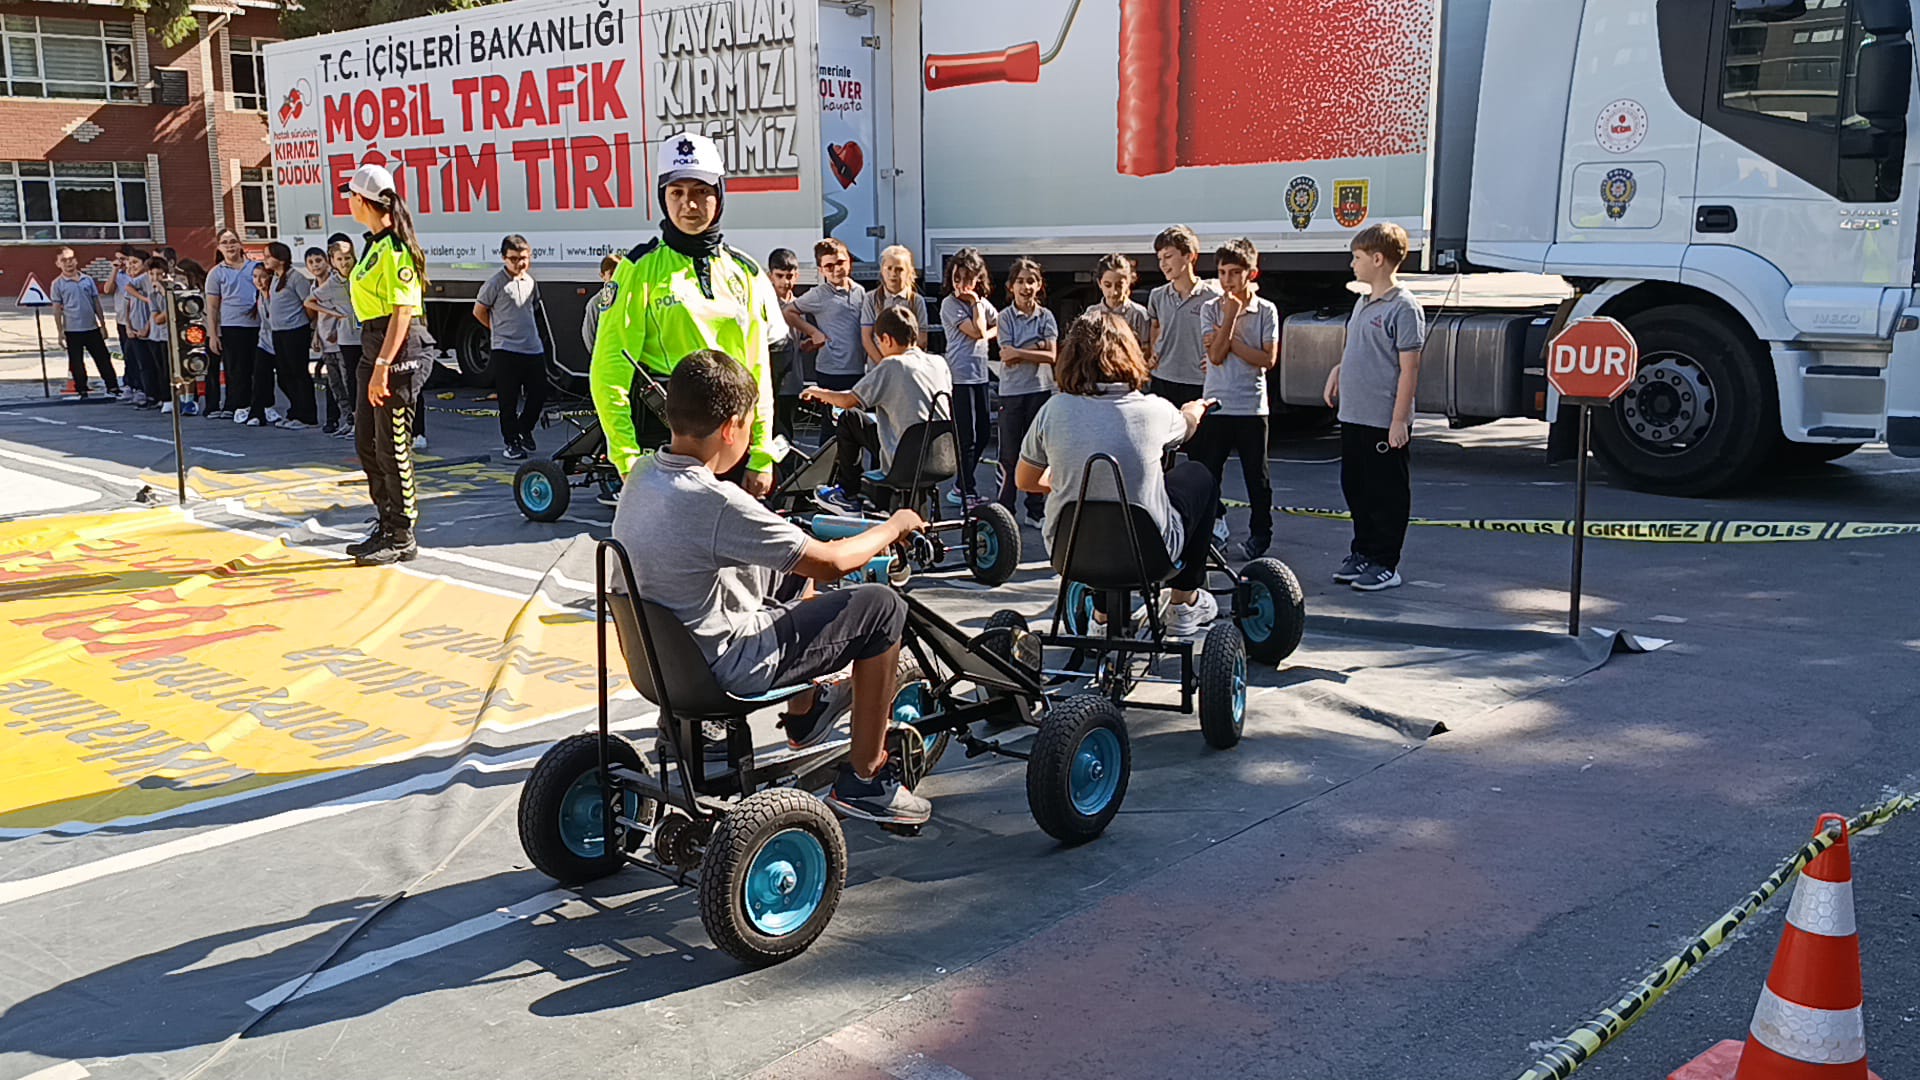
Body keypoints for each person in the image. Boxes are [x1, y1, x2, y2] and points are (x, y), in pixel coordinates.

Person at [614, 349, 933, 824]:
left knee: (784, 572)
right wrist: (893, 526)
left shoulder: (641, 473)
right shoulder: (716, 501)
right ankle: (867, 778)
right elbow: (830, 564)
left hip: (659, 664)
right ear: (731, 427)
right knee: (881, 608)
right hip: (722, 668)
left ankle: (805, 713)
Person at [590, 131, 788, 495]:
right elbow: (609, 369)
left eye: (701, 191)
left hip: (734, 443)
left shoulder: (747, 272)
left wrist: (761, 454)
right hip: (667, 441)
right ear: (663, 198)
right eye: (677, 193)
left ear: (719, 195)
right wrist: (626, 457)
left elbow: (760, 369)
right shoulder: (637, 268)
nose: (689, 205)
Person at [1017, 312, 1221, 636]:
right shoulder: (1153, 409)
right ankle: (1184, 600)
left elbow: (1025, 481)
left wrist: (1061, 480)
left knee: (1094, 504)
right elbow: (1188, 429)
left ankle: (1102, 617)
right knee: (1198, 476)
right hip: (1149, 554)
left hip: (1069, 552)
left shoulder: (1053, 410)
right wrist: (1194, 410)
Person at [1323, 222, 1427, 592]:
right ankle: (1362, 553)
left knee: (1386, 493)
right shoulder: (1362, 301)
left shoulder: (1404, 307)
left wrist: (1399, 420)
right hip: (1354, 416)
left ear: (1379, 259)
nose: (1353, 264)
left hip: (1383, 421)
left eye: (1358, 257)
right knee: (1356, 487)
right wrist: (1338, 370)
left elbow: (1409, 369)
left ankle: (1385, 561)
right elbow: (1357, 348)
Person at [341, 162, 433, 567]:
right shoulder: (373, 244)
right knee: (367, 443)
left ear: (362, 200)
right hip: (373, 343)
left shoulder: (396, 250)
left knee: (393, 445)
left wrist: (382, 365)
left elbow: (403, 312)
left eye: (350, 195)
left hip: (398, 349)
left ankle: (402, 532)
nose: (347, 201)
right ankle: (384, 520)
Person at [804, 307, 952, 513]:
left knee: (850, 418)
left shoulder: (892, 364)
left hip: (904, 459)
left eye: (879, 342)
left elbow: (848, 401)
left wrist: (818, 392)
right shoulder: (939, 362)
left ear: (887, 339)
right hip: (941, 456)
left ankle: (847, 493)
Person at [1197, 237, 1280, 559]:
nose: (1227, 280)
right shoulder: (1210, 308)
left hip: (1251, 406)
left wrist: (1228, 338)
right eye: (1222, 273)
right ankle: (1212, 527)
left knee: (1256, 476)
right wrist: (1229, 318)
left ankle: (1261, 533)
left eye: (1234, 273)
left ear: (1251, 274)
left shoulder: (1267, 311)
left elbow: (1267, 359)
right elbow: (1215, 356)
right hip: (1217, 404)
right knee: (1209, 473)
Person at [994, 256, 1057, 527]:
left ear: (1039, 284)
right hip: (1011, 392)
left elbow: (1052, 356)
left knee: (1038, 452)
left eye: (1031, 281)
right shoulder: (1004, 317)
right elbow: (1006, 356)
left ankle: (1035, 510)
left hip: (1040, 390)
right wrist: (1036, 346)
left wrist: (1022, 351)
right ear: (1011, 286)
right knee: (1009, 453)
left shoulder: (1046, 316)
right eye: (1020, 281)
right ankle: (1006, 508)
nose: (1025, 287)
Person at [475, 234, 547, 461]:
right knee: (508, 399)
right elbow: (479, 311)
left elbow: (532, 309)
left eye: (523, 258)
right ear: (504, 258)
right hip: (505, 349)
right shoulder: (495, 283)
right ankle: (511, 441)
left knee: (539, 394)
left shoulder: (530, 282)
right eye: (513, 259)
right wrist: (496, 330)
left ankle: (524, 428)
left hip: (532, 348)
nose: (519, 263)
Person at [938, 248, 995, 508]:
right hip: (960, 376)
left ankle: (962, 483)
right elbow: (976, 331)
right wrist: (974, 304)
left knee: (984, 432)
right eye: (956, 279)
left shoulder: (981, 303)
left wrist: (979, 308)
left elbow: (997, 324)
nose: (961, 285)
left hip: (980, 375)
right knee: (967, 437)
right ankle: (966, 490)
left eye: (967, 279)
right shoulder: (951, 304)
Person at [1146, 224, 1222, 406]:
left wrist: (1215, 358)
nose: (1163, 264)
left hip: (1198, 380)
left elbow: (1224, 332)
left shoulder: (1213, 297)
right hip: (1163, 378)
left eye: (1168, 257)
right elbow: (1155, 326)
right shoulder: (1157, 295)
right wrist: (1153, 351)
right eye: (1160, 259)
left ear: (1189, 256)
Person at [788, 238, 867, 391]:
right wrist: (813, 332)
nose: (836, 269)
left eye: (840, 263)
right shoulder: (819, 294)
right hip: (831, 369)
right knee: (833, 413)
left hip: (857, 367)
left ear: (849, 262)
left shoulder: (859, 291)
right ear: (821, 270)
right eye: (829, 266)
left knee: (855, 413)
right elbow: (789, 312)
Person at [51, 248, 121, 400]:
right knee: (77, 361)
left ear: (76, 260)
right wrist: (60, 330)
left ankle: (113, 387)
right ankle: (81, 389)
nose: (68, 262)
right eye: (64, 260)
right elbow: (57, 309)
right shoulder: (57, 284)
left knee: (103, 358)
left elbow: (96, 302)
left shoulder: (87, 280)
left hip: (91, 328)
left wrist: (102, 324)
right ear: (58, 264)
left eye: (71, 259)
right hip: (72, 329)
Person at [206, 228, 260, 422]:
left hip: (256, 325)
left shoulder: (255, 268)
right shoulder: (216, 273)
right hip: (231, 326)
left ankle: (257, 405)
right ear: (219, 247)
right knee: (235, 369)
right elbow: (212, 307)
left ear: (240, 244)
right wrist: (213, 334)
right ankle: (235, 405)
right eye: (225, 243)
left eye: (232, 241)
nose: (229, 246)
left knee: (256, 368)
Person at [261, 242, 316, 429]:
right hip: (279, 332)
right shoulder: (275, 278)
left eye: (269, 256)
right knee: (284, 374)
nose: (265, 259)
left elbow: (309, 304)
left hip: (295, 331)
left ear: (281, 258)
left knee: (298, 372)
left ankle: (307, 415)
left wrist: (305, 325)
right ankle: (295, 410)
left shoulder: (296, 278)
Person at [309, 242, 359, 437]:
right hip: (332, 339)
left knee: (351, 382)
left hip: (351, 338)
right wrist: (319, 330)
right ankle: (347, 419)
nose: (344, 262)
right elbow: (310, 303)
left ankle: (356, 421)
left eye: (347, 258)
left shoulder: (355, 279)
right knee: (337, 384)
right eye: (339, 259)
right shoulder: (328, 284)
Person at [859, 244, 930, 365]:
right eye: (889, 268)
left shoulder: (916, 301)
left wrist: (903, 365)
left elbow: (922, 338)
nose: (893, 274)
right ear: (882, 270)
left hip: (907, 368)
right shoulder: (871, 299)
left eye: (899, 269)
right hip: (878, 366)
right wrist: (884, 365)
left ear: (908, 272)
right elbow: (867, 337)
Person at [765, 247, 806, 444]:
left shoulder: (800, 305)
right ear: (770, 275)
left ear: (796, 276)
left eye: (789, 276)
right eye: (779, 276)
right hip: (771, 380)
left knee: (788, 429)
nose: (785, 282)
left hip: (793, 380)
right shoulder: (765, 304)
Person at [1087, 253, 1151, 353]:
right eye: (1108, 285)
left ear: (1128, 282)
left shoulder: (1138, 313)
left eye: (1119, 285)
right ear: (1100, 283)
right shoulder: (1092, 312)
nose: (1114, 292)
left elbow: (1146, 349)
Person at [579, 253, 620, 356]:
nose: (617, 278)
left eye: (620, 274)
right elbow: (589, 335)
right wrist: (599, 355)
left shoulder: (630, 298)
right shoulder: (596, 303)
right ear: (602, 276)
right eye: (612, 274)